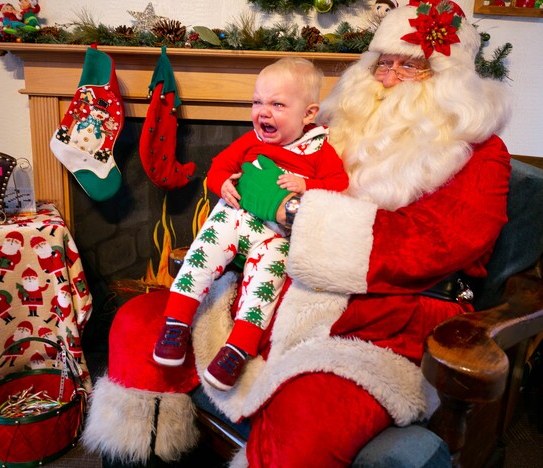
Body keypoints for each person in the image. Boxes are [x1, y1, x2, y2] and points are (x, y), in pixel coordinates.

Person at [82, 1, 513, 466]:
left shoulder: (481, 153)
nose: (387, 78)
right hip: (276, 289)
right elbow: (257, 168)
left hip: (377, 327)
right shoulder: (331, 129)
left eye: (409, 67)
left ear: (451, 81)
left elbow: (436, 245)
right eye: (381, 63)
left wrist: (293, 210)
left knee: (306, 414)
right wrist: (237, 186)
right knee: (138, 321)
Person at [152, 57, 348, 392]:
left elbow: (341, 185)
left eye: (277, 104)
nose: (263, 112)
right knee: (204, 248)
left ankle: (238, 347)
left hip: (274, 237)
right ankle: (177, 319)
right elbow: (217, 168)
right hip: (235, 217)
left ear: (309, 114)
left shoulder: (319, 150)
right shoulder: (250, 141)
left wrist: (307, 186)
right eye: (257, 102)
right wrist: (222, 184)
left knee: (268, 278)